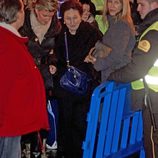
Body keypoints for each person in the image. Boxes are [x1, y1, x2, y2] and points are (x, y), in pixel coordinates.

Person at [106, 0, 158, 157]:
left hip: (154, 100)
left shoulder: (153, 32)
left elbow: (137, 69)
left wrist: (112, 76)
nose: (138, 9)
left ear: (155, 4)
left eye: (142, 4)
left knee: (153, 144)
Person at [0, 0, 49, 158]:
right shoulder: (7, 42)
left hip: (11, 116)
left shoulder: (9, 39)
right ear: (18, 14)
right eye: (23, 10)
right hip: (9, 117)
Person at [53, 1, 102, 157]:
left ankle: (81, 152)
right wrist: (53, 64)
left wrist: (92, 59)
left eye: (75, 18)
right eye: (68, 18)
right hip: (65, 86)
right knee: (65, 122)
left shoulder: (92, 33)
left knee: (81, 123)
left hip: (84, 86)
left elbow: (100, 54)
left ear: (82, 16)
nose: (72, 22)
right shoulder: (60, 33)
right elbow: (56, 56)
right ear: (62, 18)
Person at [19, 0, 61, 157]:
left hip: (44, 73)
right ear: (36, 9)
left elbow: (56, 49)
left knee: (41, 109)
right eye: (44, 14)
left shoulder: (56, 24)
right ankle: (24, 146)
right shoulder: (23, 21)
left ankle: (40, 146)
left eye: (51, 14)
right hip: (24, 71)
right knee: (23, 109)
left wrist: (53, 62)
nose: (47, 18)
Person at [85, 0, 136, 82]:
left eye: (116, 2)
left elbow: (116, 56)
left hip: (115, 75)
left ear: (123, 6)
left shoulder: (121, 24)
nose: (112, 5)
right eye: (110, 2)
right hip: (115, 74)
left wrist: (97, 63)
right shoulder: (116, 23)